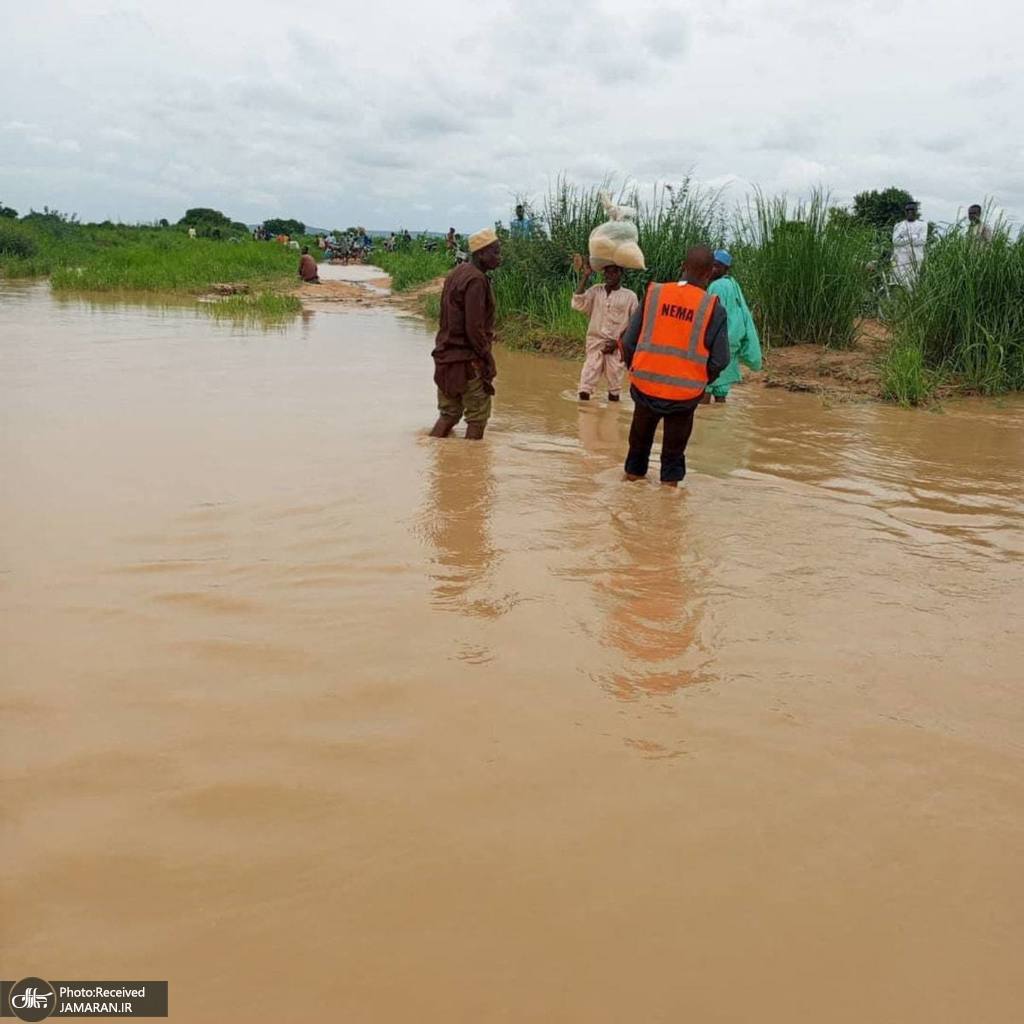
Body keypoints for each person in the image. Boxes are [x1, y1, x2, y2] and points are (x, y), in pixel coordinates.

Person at [617, 245, 730, 487]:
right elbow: (721, 360)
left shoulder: (655, 294)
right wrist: (700, 379)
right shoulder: (713, 308)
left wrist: (635, 369)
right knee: (672, 461)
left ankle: (631, 497)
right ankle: (669, 510)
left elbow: (628, 342)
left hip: (645, 388)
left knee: (636, 458)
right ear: (710, 273)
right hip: (684, 397)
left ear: (682, 267)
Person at [429, 229, 502, 440]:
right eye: (495, 253)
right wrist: (488, 359)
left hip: (446, 357)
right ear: (481, 254)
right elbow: (474, 328)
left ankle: (436, 457)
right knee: (477, 418)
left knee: (448, 414)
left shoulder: (457, 273)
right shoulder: (477, 280)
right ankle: (471, 469)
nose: (499, 258)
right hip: (468, 361)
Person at [571, 259, 637, 402]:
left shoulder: (630, 297)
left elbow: (633, 325)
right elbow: (578, 301)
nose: (609, 275)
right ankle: (585, 420)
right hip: (595, 343)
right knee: (585, 385)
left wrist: (618, 343)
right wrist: (586, 276)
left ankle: (611, 418)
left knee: (614, 388)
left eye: (614, 272)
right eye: (607, 272)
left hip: (616, 347)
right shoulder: (596, 290)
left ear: (621, 273)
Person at [704, 249, 762, 403]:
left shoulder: (717, 286)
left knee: (705, 385)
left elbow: (711, 316)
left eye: (718, 266)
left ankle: (704, 423)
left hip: (719, 342)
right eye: (712, 265)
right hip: (733, 340)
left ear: (725, 269)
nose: (713, 269)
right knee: (721, 389)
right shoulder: (732, 284)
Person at [892, 201, 927, 287]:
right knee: (901, 282)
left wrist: (904, 238)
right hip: (901, 259)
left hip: (916, 259)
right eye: (908, 210)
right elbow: (896, 241)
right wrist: (914, 237)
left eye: (912, 210)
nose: (910, 212)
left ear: (916, 211)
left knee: (913, 282)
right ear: (905, 211)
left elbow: (922, 240)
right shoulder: (899, 225)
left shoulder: (923, 225)